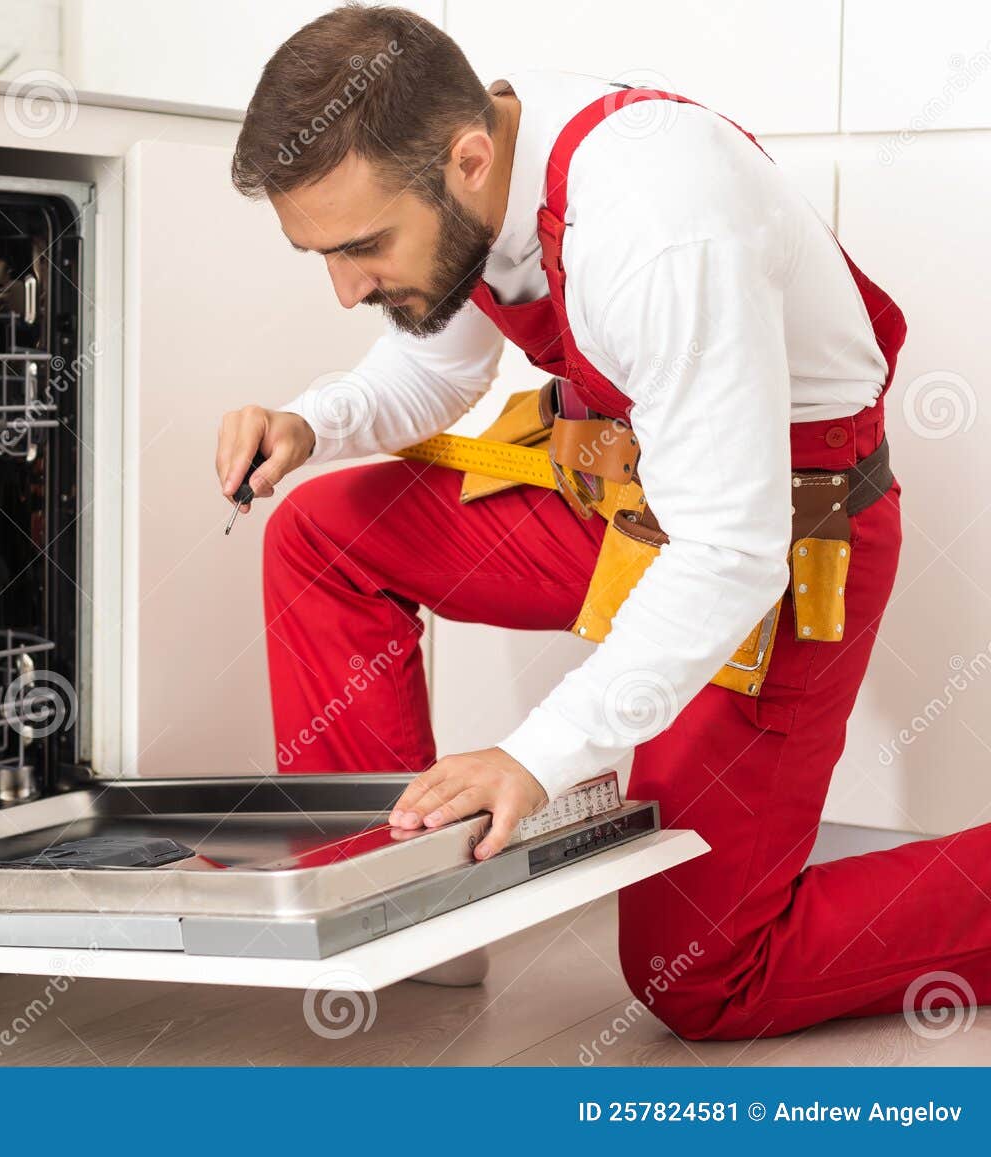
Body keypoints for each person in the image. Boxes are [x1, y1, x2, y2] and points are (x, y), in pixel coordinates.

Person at [214, 4, 991, 1040]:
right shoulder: (477, 150)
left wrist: (533, 758)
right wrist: (316, 419)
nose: (347, 286)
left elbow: (729, 549)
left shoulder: (656, 222)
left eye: (361, 248)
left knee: (703, 976)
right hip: (628, 504)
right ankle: (396, 905)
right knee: (323, 536)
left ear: (469, 160)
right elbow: (436, 358)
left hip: (781, 542)